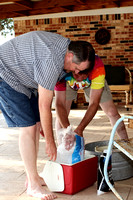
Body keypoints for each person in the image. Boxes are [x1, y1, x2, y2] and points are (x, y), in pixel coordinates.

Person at [0, 31, 96, 199]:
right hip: (5, 74)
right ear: (70, 55)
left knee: (36, 125)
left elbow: (45, 104)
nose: (75, 73)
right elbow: (45, 105)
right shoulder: (52, 60)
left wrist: (45, 128)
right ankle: (32, 185)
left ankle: (33, 177)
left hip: (23, 80)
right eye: (76, 68)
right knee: (28, 127)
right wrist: (50, 142)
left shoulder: (65, 49)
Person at [55, 54, 129, 142]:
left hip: (91, 81)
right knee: (62, 115)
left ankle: (126, 144)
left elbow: (94, 103)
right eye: (76, 74)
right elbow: (59, 105)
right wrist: (68, 132)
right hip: (67, 80)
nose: (78, 79)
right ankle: (62, 150)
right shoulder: (61, 69)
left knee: (112, 112)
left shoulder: (97, 68)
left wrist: (80, 129)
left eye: (81, 76)